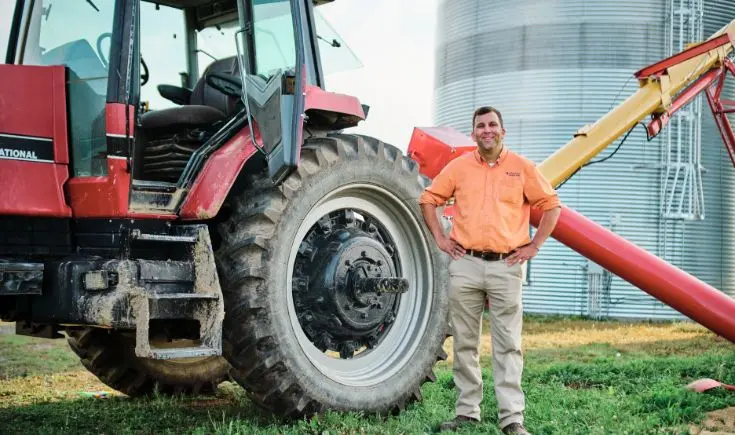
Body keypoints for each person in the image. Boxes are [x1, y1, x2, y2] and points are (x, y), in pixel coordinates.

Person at [419, 106, 561, 434]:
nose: (487, 130)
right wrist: (440, 237)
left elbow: (551, 205)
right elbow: (427, 199)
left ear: (502, 131)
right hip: (465, 264)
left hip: (506, 266)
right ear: (473, 134)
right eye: (480, 125)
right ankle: (467, 412)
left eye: (492, 124)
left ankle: (512, 419)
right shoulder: (459, 168)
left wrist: (534, 246)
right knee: (465, 342)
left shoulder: (522, 168)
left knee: (508, 343)